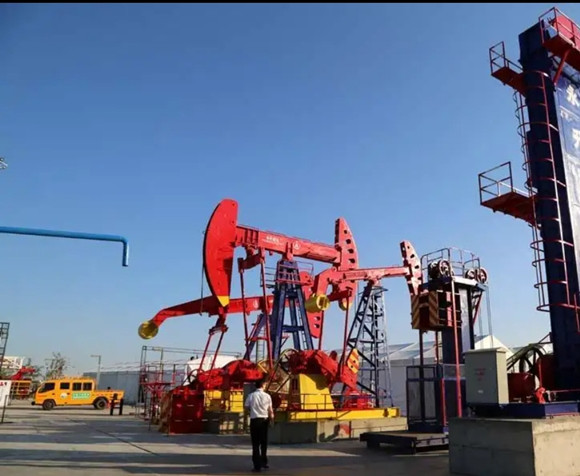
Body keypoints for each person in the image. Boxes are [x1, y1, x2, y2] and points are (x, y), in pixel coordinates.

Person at [244, 379, 274, 472]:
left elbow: (246, 406)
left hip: (254, 420)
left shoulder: (251, 395)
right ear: (263, 385)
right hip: (264, 421)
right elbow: (270, 410)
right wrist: (271, 420)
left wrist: (251, 410)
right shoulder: (267, 396)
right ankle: (264, 462)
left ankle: (257, 466)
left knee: (255, 444)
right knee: (264, 443)